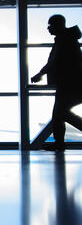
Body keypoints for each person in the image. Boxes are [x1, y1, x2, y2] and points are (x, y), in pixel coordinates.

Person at [31, 14, 82, 151]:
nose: (48, 28)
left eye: (50, 25)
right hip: (70, 84)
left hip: (70, 85)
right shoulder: (67, 39)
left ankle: (59, 143)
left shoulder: (64, 40)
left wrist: (41, 73)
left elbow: (55, 61)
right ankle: (59, 143)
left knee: (60, 113)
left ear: (57, 25)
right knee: (57, 115)